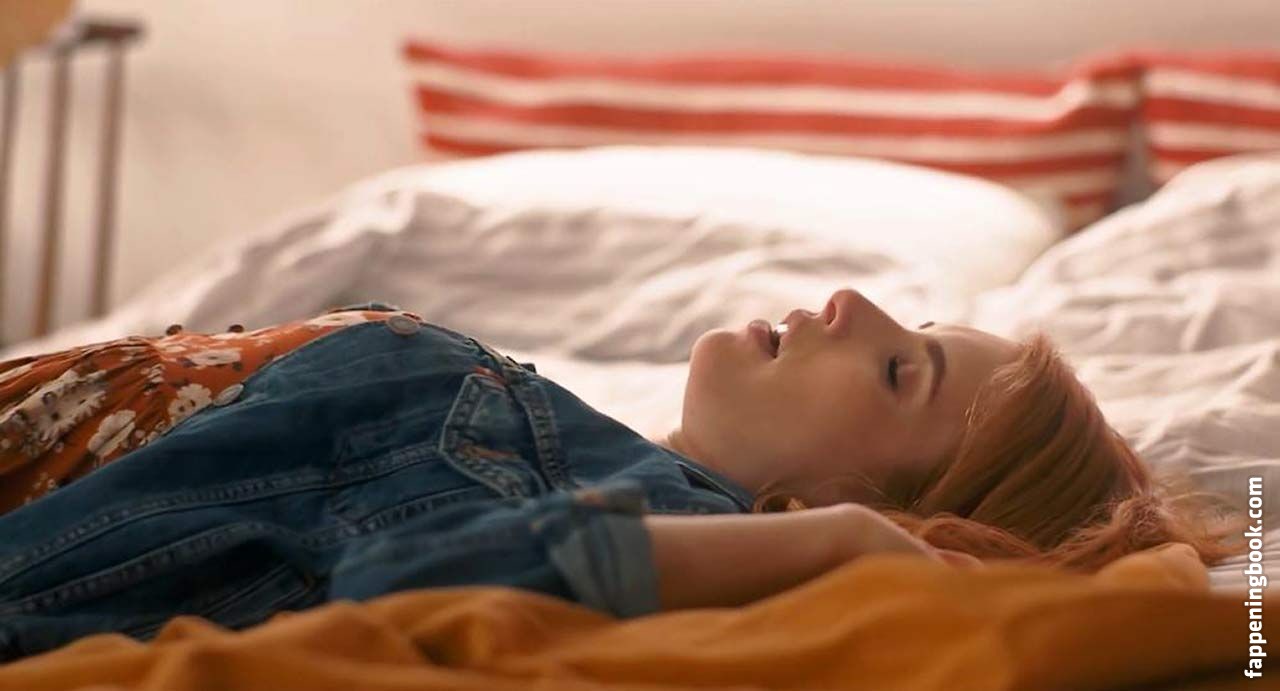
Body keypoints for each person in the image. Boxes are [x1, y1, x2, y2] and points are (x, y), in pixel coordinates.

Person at [0, 290, 1238, 661]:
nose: (848, 300)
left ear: (815, 509)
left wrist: (838, 549)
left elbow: (410, 586)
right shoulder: (579, 444)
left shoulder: (654, 516)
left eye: (896, 369)